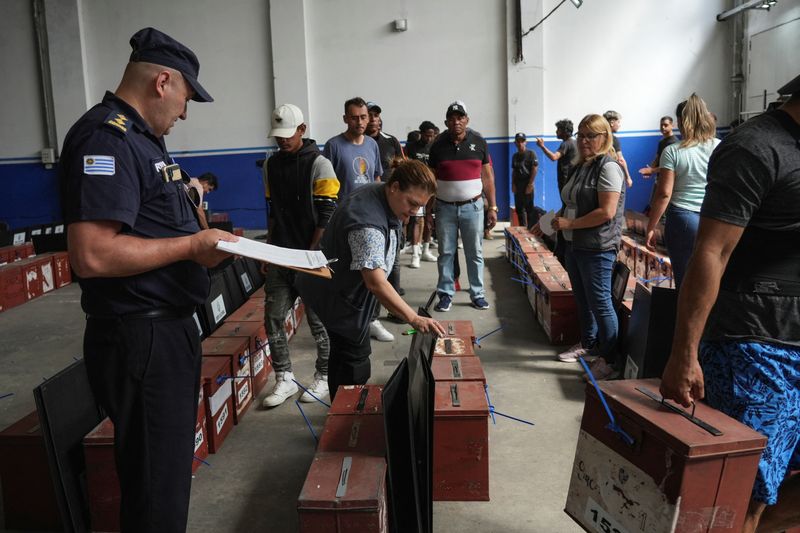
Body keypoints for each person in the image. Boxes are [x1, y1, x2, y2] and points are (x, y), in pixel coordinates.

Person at [59, 27, 236, 532]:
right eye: (186, 98)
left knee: (165, 473)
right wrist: (191, 246)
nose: (185, 112)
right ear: (163, 82)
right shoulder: (107, 138)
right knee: (157, 483)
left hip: (166, 330)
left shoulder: (145, 141)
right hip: (142, 335)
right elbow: (91, 254)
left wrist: (202, 234)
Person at [660, 74, 800, 533]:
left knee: (785, 488)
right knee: (747, 491)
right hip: (755, 344)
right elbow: (711, 252)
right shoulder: (755, 147)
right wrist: (683, 354)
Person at [296, 159, 446, 399]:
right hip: (338, 296)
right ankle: (347, 420)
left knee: (343, 353)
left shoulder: (381, 192)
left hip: (338, 286)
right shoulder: (367, 224)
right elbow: (375, 282)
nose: (414, 211)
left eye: (420, 207)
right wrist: (413, 318)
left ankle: (340, 409)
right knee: (354, 361)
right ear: (395, 187)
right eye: (412, 203)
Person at [535, 114, 625, 380]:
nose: (585, 140)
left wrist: (569, 224)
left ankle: (609, 360)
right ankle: (588, 344)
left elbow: (606, 212)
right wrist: (548, 222)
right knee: (583, 299)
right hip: (574, 244)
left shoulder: (608, 167)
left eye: (591, 136)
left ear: (604, 138)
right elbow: (569, 203)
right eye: (582, 135)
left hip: (597, 247)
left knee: (601, 303)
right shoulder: (581, 165)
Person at [260, 103, 339, 407]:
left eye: (288, 134)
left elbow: (327, 213)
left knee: (319, 322)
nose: (282, 140)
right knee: (274, 317)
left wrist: (311, 254)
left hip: (312, 256)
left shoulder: (320, 164)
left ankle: (323, 377)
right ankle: (284, 378)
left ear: (302, 130)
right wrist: (268, 250)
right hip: (281, 253)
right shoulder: (271, 165)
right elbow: (272, 212)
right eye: (278, 135)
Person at [645, 95, 720, 288]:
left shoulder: (673, 150)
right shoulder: (719, 146)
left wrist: (651, 226)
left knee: (685, 281)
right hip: (713, 217)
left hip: (683, 218)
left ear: (680, 121)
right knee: (709, 281)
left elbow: (664, 194)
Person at [429, 101, 497, 312]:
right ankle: (446, 294)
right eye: (452, 118)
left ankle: (477, 294)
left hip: (473, 207)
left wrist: (492, 207)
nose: (456, 121)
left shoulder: (479, 142)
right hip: (444, 208)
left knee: (474, 252)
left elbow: (487, 177)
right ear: (446, 122)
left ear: (467, 120)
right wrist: (428, 210)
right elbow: (431, 179)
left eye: (460, 117)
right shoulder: (438, 145)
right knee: (446, 252)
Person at [365, 102, 405, 327]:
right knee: (372, 262)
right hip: (370, 209)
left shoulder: (391, 141)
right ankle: (372, 315)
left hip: (393, 209)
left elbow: (404, 169)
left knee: (394, 259)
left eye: (375, 115)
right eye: (368, 115)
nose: (372, 119)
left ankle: (396, 308)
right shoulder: (362, 143)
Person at [323, 97, 383, 198]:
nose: (359, 122)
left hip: (368, 209)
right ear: (345, 119)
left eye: (363, 117)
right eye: (354, 118)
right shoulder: (333, 146)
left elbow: (376, 178)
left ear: (368, 118)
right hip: (343, 211)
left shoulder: (372, 144)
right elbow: (325, 183)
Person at [407, 120, 438, 267]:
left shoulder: (435, 147)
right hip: (417, 189)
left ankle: (425, 249)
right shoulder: (412, 147)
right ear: (421, 134)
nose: (429, 138)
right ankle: (415, 254)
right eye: (427, 135)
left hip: (431, 189)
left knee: (429, 219)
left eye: (432, 135)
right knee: (417, 220)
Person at [536, 119, 576, 194]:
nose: (556, 131)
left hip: (566, 180)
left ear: (565, 131)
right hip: (573, 179)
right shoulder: (575, 142)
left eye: (558, 129)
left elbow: (554, 157)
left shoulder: (566, 144)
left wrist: (542, 146)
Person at [511, 132, 538, 228]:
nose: (520, 143)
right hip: (518, 185)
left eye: (522, 141)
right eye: (518, 141)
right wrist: (513, 184)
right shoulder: (515, 156)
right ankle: (523, 229)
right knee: (519, 209)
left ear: (525, 142)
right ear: (515, 143)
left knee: (529, 209)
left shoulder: (531, 154)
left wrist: (530, 185)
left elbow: (534, 169)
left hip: (527, 184)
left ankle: (531, 229)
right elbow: (514, 171)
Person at [603, 110, 633, 188]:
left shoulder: (599, 137)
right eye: (618, 122)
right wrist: (628, 177)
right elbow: (621, 160)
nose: (619, 125)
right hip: (612, 176)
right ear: (612, 123)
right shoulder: (613, 139)